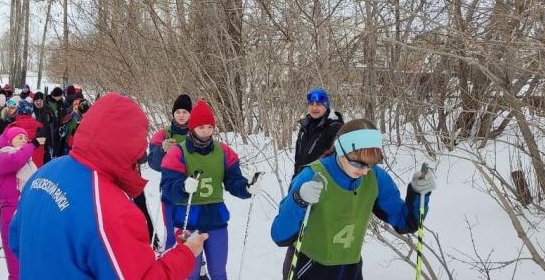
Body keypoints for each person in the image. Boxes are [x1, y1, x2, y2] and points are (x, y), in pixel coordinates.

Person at [9, 92, 207, 278]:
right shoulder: (112, 211)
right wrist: (185, 254)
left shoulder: (44, 173)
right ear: (128, 144)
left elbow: (16, 241)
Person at [270, 119, 436, 279]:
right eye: (358, 164)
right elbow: (279, 235)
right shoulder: (312, 176)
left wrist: (418, 193)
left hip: (350, 269)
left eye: (370, 164)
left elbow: (405, 222)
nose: (364, 171)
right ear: (341, 151)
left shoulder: (375, 177)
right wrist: (299, 199)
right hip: (309, 268)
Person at [160, 99, 259, 280]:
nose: (206, 132)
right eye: (201, 127)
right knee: (190, 274)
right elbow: (167, 188)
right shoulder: (178, 152)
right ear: (192, 128)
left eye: (209, 127)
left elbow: (233, 180)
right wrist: (182, 187)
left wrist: (246, 188)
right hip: (188, 221)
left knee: (219, 273)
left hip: (216, 218)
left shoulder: (223, 151)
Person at [146, 94, 192, 250]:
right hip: (169, 191)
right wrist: (162, 150)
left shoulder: (197, 133)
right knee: (171, 232)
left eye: (185, 112)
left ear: (190, 114)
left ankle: (199, 270)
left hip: (193, 192)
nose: (181, 115)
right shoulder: (163, 134)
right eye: (178, 112)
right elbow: (153, 163)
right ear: (173, 113)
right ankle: (167, 268)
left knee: (191, 232)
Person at [0, 127, 37, 279]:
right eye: (19, 138)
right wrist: (33, 146)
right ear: (9, 140)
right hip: (10, 211)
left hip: (27, 210)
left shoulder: (28, 162)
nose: (24, 141)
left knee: (29, 257)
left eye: (26, 138)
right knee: (15, 262)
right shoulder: (3, 157)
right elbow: (16, 160)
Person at [293, 88, 344, 176]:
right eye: (311, 104)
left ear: (326, 105)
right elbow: (298, 158)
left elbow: (339, 162)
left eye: (319, 104)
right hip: (301, 178)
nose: (314, 107)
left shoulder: (335, 127)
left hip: (321, 183)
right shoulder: (305, 126)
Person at [7, 100, 45, 168]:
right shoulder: (40, 126)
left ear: (18, 111)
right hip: (36, 166)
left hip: (19, 164)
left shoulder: (13, 126)